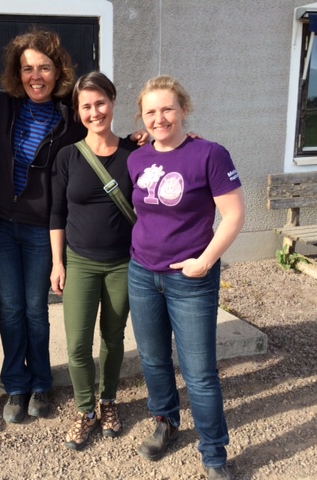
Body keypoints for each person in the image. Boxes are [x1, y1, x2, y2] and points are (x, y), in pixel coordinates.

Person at [127, 75, 245, 480]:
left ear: (183, 109)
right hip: (142, 272)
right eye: (151, 111)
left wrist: (206, 261)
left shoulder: (209, 154)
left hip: (191, 278)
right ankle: (166, 421)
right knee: (154, 358)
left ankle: (214, 454)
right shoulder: (136, 157)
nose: (160, 118)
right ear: (142, 118)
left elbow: (234, 216)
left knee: (199, 372)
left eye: (167, 109)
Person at [0, 29, 87, 424]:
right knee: (9, 309)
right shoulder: (1, 105)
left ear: (58, 71)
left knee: (35, 309)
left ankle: (41, 382)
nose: (36, 76)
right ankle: (16, 385)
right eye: (27, 68)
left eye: (44, 67)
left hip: (42, 228)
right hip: (2, 223)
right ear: (17, 72)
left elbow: (105, 140)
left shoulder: (72, 116)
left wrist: (143, 139)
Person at [49, 72, 136, 450]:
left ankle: (109, 401)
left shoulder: (136, 152)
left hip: (123, 263)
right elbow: (56, 214)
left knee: (113, 339)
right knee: (78, 345)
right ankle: (85, 410)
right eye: (86, 106)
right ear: (78, 111)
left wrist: (193, 137)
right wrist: (57, 262)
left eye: (100, 102)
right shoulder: (68, 156)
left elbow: (174, 157)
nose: (94, 111)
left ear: (113, 102)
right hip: (80, 261)